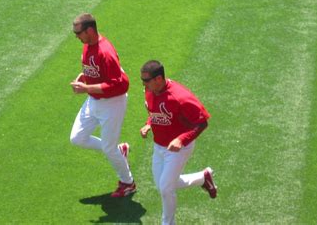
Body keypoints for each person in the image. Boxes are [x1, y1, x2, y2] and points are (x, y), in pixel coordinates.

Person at [139, 60, 217, 225]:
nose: (143, 84)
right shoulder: (150, 90)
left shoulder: (180, 97)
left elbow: (202, 122)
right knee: (163, 185)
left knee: (166, 188)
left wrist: (182, 139)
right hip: (159, 146)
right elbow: (155, 111)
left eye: (146, 80)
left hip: (179, 149)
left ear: (158, 79)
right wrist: (148, 124)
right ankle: (203, 178)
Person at [70, 13, 136, 197]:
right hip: (94, 100)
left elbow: (120, 84)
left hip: (112, 104)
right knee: (77, 138)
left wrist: (86, 88)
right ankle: (120, 151)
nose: (76, 36)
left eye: (78, 33)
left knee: (108, 148)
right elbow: (95, 70)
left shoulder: (105, 52)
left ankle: (128, 182)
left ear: (90, 30)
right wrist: (84, 77)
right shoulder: (87, 45)